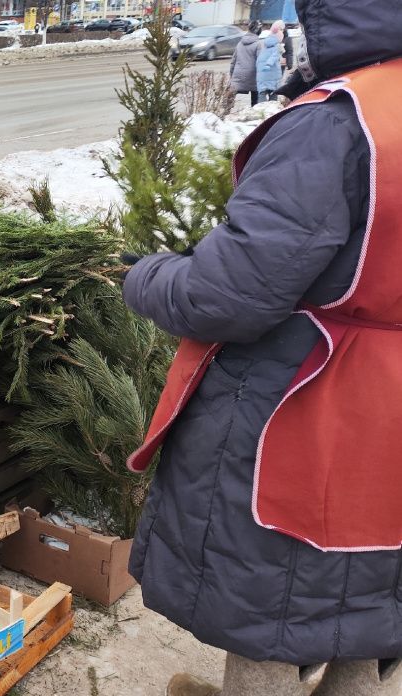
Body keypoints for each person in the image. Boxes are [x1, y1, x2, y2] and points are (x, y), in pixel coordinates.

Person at [121, 0, 402, 694]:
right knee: (371, 601)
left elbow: (229, 295)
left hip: (309, 401)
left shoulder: (339, 121)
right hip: (390, 406)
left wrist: (146, 274)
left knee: (275, 603)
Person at [228, 21, 263, 107]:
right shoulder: (258, 44)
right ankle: (254, 112)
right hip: (253, 76)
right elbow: (260, 62)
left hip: (238, 74)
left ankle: (226, 110)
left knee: (230, 98)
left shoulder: (240, 43)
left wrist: (232, 75)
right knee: (255, 101)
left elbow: (233, 61)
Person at [255, 21, 286, 103]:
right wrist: (268, 64)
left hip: (262, 74)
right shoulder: (277, 46)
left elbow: (259, 60)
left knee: (262, 93)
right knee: (273, 94)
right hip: (272, 74)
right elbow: (274, 57)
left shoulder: (265, 45)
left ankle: (261, 108)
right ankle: (272, 108)